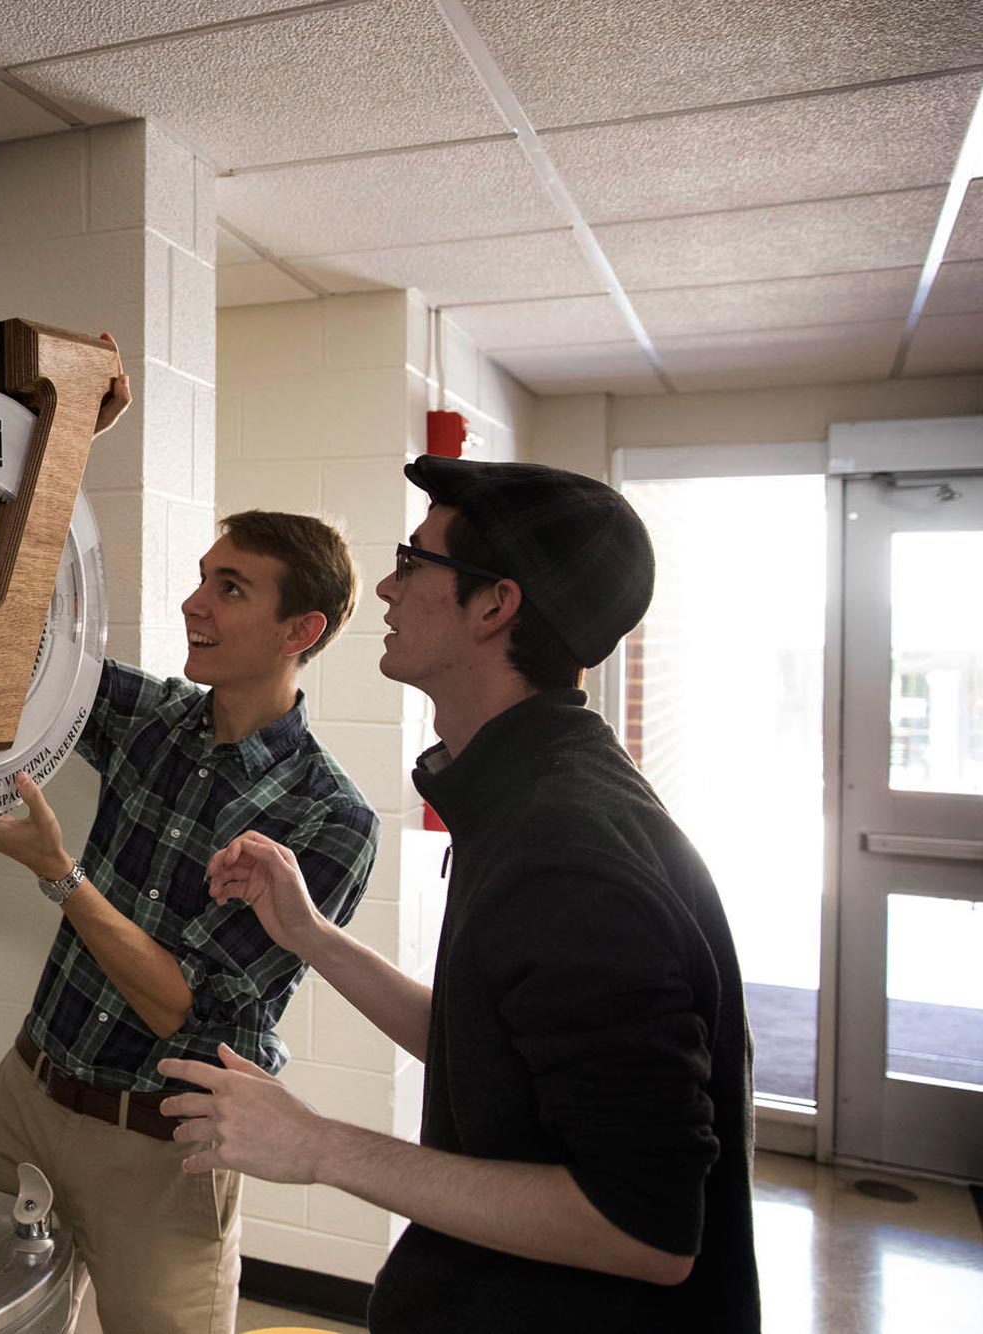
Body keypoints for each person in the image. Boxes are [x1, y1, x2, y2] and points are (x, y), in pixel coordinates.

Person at [159, 457, 761, 1332]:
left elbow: (648, 1228)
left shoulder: (569, 853)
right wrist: (314, 938)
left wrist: (320, 1145)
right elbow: (496, 1052)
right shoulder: (533, 792)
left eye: (415, 561)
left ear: (494, 605)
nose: (392, 589)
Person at [0, 510, 379, 1334]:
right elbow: (16, 648)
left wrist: (58, 872)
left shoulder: (330, 819)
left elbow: (178, 1006)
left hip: (158, 1153)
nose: (194, 603)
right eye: (201, 577)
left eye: (230, 588)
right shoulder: (157, 719)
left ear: (302, 629)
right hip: (27, 1103)